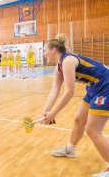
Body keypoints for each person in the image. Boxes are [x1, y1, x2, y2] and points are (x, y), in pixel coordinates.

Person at [40, 35, 109, 177]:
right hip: (94, 86)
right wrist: (45, 111)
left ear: (53, 50)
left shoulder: (68, 61)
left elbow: (69, 91)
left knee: (92, 130)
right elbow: (54, 91)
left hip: (105, 85)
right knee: (79, 120)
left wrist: (54, 113)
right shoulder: (58, 67)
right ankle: (70, 149)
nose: (43, 53)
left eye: (45, 50)